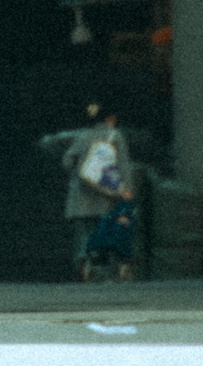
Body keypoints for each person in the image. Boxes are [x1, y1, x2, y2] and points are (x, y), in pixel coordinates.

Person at [40, 107, 135, 280]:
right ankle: (112, 269)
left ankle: (86, 261)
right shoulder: (115, 136)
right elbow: (122, 163)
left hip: (81, 194)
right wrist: (127, 188)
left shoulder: (82, 136)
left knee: (85, 231)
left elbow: (67, 159)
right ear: (110, 119)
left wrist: (79, 174)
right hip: (107, 195)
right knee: (109, 229)